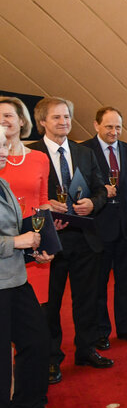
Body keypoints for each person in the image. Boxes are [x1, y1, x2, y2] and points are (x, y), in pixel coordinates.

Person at [28, 97, 111, 384]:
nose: (63, 122)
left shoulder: (84, 153)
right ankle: (52, 359)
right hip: (49, 241)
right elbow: (25, 198)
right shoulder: (31, 154)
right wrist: (46, 204)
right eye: (56, 118)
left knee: (86, 300)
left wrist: (93, 202)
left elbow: (102, 189)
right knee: (49, 306)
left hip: (85, 238)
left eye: (66, 117)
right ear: (42, 122)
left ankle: (86, 350)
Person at [0, 125, 68, 408]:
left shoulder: (2, 183)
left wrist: (33, 248)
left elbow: (23, 220)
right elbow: (11, 235)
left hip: (15, 277)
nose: (5, 152)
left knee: (37, 340)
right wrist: (15, 242)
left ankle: (29, 405)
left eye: (5, 145)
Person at [82, 107, 127, 350]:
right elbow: (78, 188)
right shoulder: (84, 151)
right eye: (109, 126)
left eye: (118, 127)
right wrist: (98, 193)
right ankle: (100, 331)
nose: (114, 132)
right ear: (96, 125)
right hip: (97, 228)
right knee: (98, 285)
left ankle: (126, 326)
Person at [0, 96, 52, 303]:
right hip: (5, 249)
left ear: (22, 120)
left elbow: (43, 201)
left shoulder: (39, 158)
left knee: (34, 314)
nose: (2, 120)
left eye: (7, 115)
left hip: (33, 246)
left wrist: (48, 240)